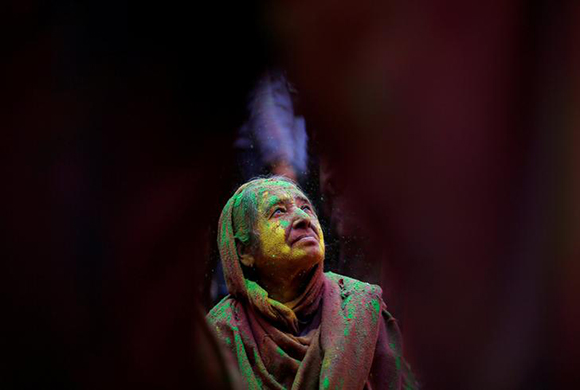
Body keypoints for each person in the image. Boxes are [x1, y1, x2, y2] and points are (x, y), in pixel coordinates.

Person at [207, 176, 417, 389]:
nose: (303, 218)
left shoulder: (361, 308)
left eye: (306, 208)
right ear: (245, 251)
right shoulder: (221, 334)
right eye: (278, 211)